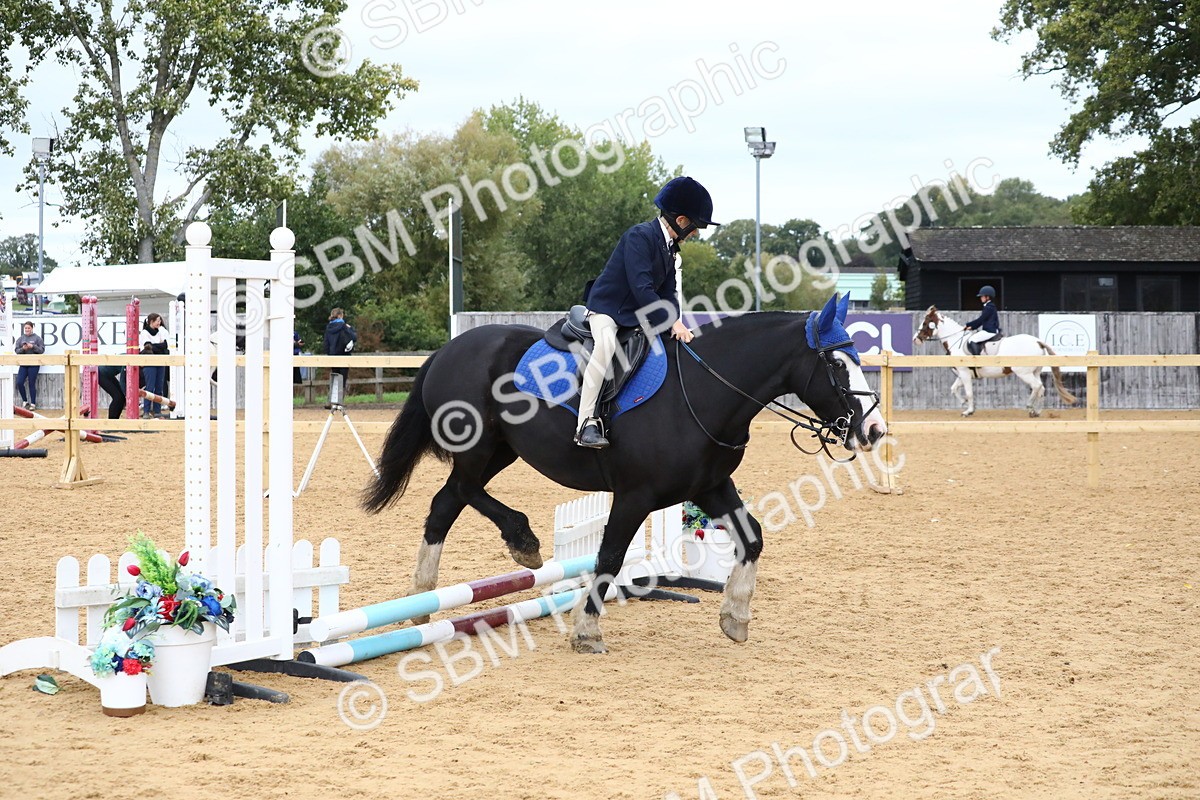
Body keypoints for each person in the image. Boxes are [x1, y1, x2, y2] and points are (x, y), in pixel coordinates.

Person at [574, 176, 719, 449]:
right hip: (608, 310)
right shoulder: (639, 237)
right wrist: (672, 322)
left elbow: (669, 295)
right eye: (697, 227)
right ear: (682, 221)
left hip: (636, 315)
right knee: (605, 347)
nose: (697, 234)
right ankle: (586, 424)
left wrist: (675, 320)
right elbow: (642, 290)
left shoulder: (670, 250)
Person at [139, 312, 170, 417]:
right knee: (150, 387)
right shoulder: (144, 333)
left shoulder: (160, 331)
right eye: (157, 320)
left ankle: (157, 411)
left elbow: (164, 345)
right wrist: (159, 346)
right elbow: (148, 347)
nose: (159, 322)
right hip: (149, 363)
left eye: (159, 320)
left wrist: (154, 346)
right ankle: (146, 411)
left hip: (159, 361)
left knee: (159, 387)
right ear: (151, 322)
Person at [323, 308, 357, 403]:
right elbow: (353, 337)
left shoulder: (328, 327)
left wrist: (329, 353)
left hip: (333, 355)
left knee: (335, 376)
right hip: (343, 354)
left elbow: (325, 343)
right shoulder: (343, 325)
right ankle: (339, 401)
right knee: (343, 377)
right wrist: (350, 328)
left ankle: (330, 400)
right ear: (339, 315)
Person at [14, 321, 45, 410]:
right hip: (23, 364)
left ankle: (33, 404)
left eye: (29, 328)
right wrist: (23, 349)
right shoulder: (20, 339)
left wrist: (33, 346)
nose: (27, 329)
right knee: (19, 382)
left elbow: (42, 350)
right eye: (26, 328)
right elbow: (16, 351)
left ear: (32, 328)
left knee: (32, 383)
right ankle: (25, 401)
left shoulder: (37, 338)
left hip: (34, 364)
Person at [964, 285, 1001, 355]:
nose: (981, 298)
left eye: (982, 296)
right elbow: (981, 321)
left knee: (972, 339)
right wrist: (972, 327)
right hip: (990, 330)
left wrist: (968, 325)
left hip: (989, 331)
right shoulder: (989, 306)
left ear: (987, 297)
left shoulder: (989, 307)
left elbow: (980, 320)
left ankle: (977, 361)